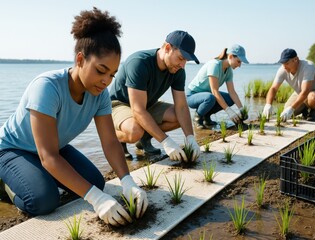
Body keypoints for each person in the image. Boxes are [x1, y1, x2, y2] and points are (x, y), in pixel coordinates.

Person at [0, 7, 147, 226]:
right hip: (13, 150)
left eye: (112, 74)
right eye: (100, 70)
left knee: (95, 182)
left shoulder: (100, 95)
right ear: (80, 59)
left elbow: (109, 142)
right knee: (44, 200)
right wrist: (96, 200)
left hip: (54, 147)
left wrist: (128, 181)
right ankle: (5, 184)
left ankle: (39, 175)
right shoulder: (47, 87)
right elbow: (48, 157)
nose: (106, 80)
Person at [109, 30, 201, 161]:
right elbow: (137, 110)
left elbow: (181, 107)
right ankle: (114, 137)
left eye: (186, 60)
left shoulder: (178, 70)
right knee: (135, 130)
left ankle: (144, 140)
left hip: (147, 104)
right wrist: (166, 141)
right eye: (181, 58)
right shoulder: (139, 63)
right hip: (120, 104)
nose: (182, 64)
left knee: (178, 117)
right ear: (167, 48)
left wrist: (190, 138)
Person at [186, 44, 249, 129]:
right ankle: (197, 118)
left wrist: (242, 110)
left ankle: (206, 117)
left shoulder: (229, 70)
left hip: (208, 95)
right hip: (192, 96)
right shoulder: (214, 65)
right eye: (238, 61)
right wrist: (229, 111)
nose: (240, 65)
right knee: (210, 97)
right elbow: (214, 91)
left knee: (230, 99)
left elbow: (232, 92)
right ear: (230, 56)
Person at [262, 48, 315, 122]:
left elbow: (305, 91)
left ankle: (311, 111)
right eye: (283, 63)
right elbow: (273, 88)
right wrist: (268, 104)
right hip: (300, 93)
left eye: (287, 63)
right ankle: (304, 110)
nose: (284, 66)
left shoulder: (308, 66)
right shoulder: (283, 69)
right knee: (287, 111)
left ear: (296, 59)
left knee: (312, 98)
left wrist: (292, 108)